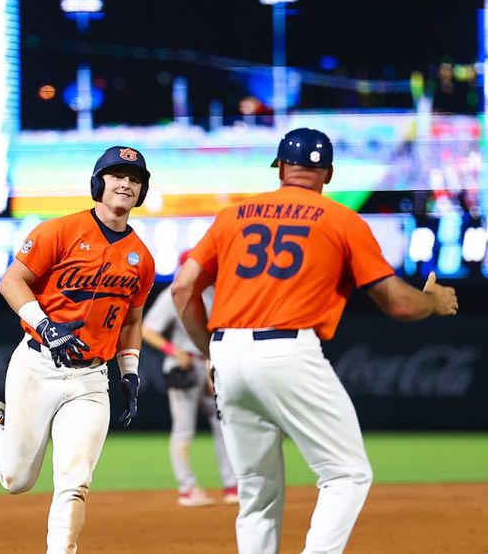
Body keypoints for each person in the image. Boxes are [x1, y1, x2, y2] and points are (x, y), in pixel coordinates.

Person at [171, 128, 459, 554]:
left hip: (228, 353)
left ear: (282, 167)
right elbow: (398, 304)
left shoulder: (234, 216)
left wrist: (209, 350)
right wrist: (432, 301)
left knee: (255, 490)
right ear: (328, 172)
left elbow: (182, 288)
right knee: (347, 474)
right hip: (288, 350)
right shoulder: (341, 219)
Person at [0, 145, 156, 554]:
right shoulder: (59, 231)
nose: (126, 183)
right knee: (16, 480)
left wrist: (130, 372)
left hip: (90, 379)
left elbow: (132, 322)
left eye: (135, 179)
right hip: (38, 365)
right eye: (117, 175)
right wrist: (45, 325)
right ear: (98, 185)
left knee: (75, 481)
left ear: (142, 191)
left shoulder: (143, 258)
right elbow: (12, 281)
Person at [140, 250, 238, 507]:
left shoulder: (211, 292)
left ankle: (231, 485)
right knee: (183, 430)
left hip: (207, 364)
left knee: (222, 425)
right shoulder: (173, 294)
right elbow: (146, 330)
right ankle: (187, 489)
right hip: (183, 366)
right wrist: (173, 351)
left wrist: (212, 365)